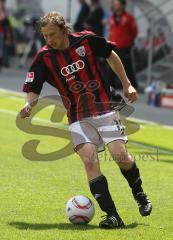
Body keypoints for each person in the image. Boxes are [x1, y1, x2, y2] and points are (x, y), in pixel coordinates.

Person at [20, 11, 152, 229]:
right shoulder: (44, 57)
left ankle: (139, 194)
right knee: (90, 161)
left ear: (64, 30)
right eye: (45, 36)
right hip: (77, 117)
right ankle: (112, 216)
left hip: (105, 109)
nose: (49, 40)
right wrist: (29, 103)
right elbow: (33, 88)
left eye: (52, 34)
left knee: (120, 156)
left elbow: (111, 54)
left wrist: (127, 83)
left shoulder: (87, 40)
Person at [108, 0, 138, 89]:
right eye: (114, 4)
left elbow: (134, 32)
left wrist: (128, 42)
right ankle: (110, 87)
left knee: (127, 68)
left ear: (122, 5)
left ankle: (133, 86)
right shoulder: (112, 18)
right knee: (111, 67)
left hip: (124, 47)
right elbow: (111, 31)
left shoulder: (129, 18)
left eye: (117, 4)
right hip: (113, 46)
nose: (115, 6)